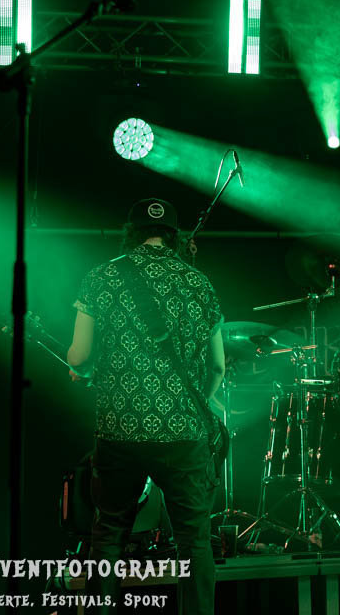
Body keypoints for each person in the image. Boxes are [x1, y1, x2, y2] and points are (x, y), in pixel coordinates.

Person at [67, 199, 225, 615]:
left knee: (109, 536)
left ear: (131, 232)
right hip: (184, 432)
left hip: (120, 430)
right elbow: (218, 366)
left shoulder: (101, 277)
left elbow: (79, 357)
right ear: (174, 236)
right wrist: (198, 402)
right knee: (194, 541)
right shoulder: (199, 283)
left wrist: (81, 369)